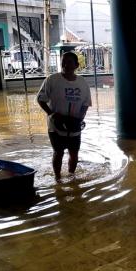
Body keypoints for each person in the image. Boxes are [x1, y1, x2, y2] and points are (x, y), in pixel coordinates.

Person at [37, 52, 92, 180]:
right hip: (55, 126)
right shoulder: (51, 80)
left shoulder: (82, 82)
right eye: (63, 62)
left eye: (69, 62)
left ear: (77, 65)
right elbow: (41, 99)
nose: (66, 65)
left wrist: (80, 118)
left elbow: (86, 103)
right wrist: (52, 114)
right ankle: (57, 179)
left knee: (74, 153)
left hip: (74, 125)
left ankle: (71, 176)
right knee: (58, 152)